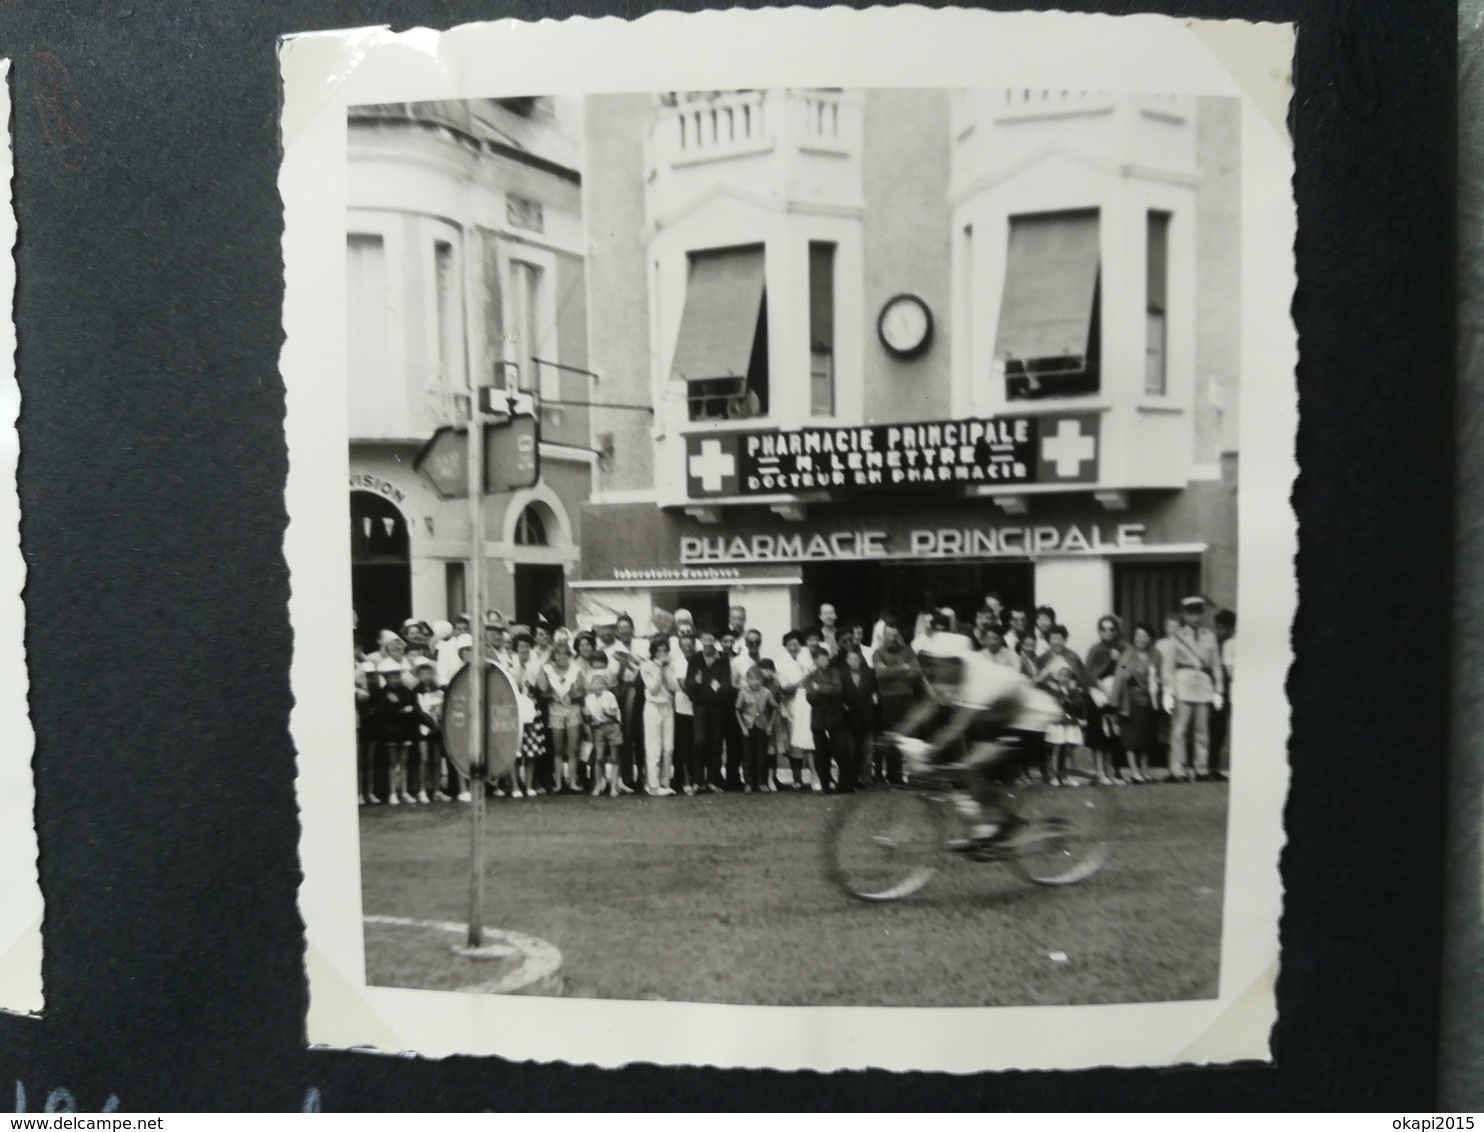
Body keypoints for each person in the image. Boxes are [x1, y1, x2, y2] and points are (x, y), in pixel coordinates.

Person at [888, 632, 1061, 849]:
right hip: (1003, 718)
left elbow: (958, 724)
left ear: (956, 661)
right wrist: (896, 734)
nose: (936, 669)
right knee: (967, 770)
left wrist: (929, 750)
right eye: (935, 663)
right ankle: (992, 826)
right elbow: (927, 707)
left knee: (970, 766)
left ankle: (1002, 826)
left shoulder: (980, 679)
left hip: (1031, 718)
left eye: (941, 663)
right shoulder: (950, 675)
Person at [1162, 597, 1225, 781]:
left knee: (1202, 731)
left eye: (1198, 613)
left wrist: (1218, 690)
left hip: (1204, 687)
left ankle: (1201, 769)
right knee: (1179, 731)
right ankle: (1177, 770)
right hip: (1183, 685)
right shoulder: (1178, 636)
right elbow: (1168, 666)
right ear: (1184, 614)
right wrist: (1168, 691)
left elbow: (1216, 666)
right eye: (1190, 613)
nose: (1195, 617)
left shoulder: (1209, 636)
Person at [872, 624, 923, 785]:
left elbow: (915, 673)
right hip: (887, 699)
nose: (893, 639)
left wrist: (891, 671)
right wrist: (903, 668)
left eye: (895, 635)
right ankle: (894, 775)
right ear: (884, 636)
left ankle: (914, 775)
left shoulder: (908, 651)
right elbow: (881, 673)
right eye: (889, 635)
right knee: (891, 734)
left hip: (907, 698)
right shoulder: (878, 653)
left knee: (911, 735)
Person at [1111, 624, 1161, 783]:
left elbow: (1159, 676)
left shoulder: (1155, 655)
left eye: (1144, 635)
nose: (1140, 639)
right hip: (1130, 703)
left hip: (1148, 702)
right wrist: (1114, 702)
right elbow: (1119, 676)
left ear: (1150, 638)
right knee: (1131, 739)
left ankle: (1145, 770)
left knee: (1146, 738)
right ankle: (1134, 771)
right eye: (1138, 635)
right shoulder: (1128, 655)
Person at [686, 630, 733, 793]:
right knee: (699, 742)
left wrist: (720, 687)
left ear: (715, 642)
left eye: (710, 642)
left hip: (717, 706)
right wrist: (695, 682)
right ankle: (698, 781)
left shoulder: (723, 659)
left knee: (716, 742)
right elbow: (688, 683)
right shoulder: (695, 659)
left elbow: (728, 683)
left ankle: (713, 781)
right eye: (704, 642)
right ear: (701, 642)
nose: (707, 645)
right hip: (700, 706)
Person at [1083, 615, 1127, 785]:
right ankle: (1099, 771)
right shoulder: (1095, 649)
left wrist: (1118, 660)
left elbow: (1125, 670)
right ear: (1099, 631)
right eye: (1104, 629)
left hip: (1113, 695)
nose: (1108, 632)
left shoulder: (1121, 648)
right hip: (1097, 697)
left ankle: (1109, 771)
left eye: (1111, 629)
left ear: (1116, 631)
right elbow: (1088, 673)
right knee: (1098, 736)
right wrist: (1100, 686)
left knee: (1111, 736)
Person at [538, 639, 586, 794]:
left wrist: (571, 696)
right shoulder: (546, 669)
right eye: (558, 654)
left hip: (573, 710)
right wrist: (554, 695)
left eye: (564, 654)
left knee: (573, 748)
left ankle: (572, 782)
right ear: (554, 656)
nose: (561, 657)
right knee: (558, 749)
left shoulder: (576, 669)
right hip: (555, 711)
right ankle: (558, 783)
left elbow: (581, 690)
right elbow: (543, 690)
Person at [375, 656, 419, 804]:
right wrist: (400, 709)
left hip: (405, 731)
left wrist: (403, 709)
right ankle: (393, 792)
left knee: (404, 762)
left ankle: (404, 791)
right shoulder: (382, 693)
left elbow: (412, 708)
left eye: (397, 675)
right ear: (386, 678)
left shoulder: (406, 691)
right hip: (390, 732)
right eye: (392, 676)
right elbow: (383, 712)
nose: (395, 679)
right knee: (392, 763)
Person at [640, 636, 681, 796]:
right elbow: (653, 688)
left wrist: (666, 669)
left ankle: (665, 782)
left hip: (668, 706)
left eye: (665, 650)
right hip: (653, 707)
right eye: (659, 651)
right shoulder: (646, 666)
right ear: (653, 652)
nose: (662, 653)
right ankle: (653, 784)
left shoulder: (670, 666)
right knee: (654, 746)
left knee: (668, 746)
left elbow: (674, 686)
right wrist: (659, 668)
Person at [802, 645, 844, 792]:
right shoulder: (810, 676)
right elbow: (810, 697)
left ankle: (843, 784)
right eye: (822, 659)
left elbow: (838, 690)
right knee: (821, 753)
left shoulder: (835, 673)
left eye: (827, 658)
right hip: (818, 719)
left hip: (834, 717)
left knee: (839, 750)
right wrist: (827, 690)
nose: (826, 661)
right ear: (815, 661)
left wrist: (820, 688)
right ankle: (825, 784)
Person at [838, 645, 878, 791]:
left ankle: (864, 778)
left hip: (866, 715)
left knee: (867, 749)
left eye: (856, 658)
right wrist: (844, 706)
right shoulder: (842, 674)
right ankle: (851, 778)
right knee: (851, 749)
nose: (853, 661)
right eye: (850, 659)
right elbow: (839, 694)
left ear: (860, 659)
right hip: (849, 717)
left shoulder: (869, 672)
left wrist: (872, 706)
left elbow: (875, 692)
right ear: (847, 660)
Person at [776, 630, 811, 790]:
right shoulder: (781, 663)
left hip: (808, 705)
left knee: (811, 743)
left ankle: (817, 777)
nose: (793, 647)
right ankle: (797, 779)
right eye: (789, 645)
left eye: (795, 644)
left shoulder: (808, 657)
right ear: (785, 646)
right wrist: (798, 684)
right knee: (794, 746)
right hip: (791, 706)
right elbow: (783, 688)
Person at [735, 664, 778, 794]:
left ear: (762, 680)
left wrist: (770, 725)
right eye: (752, 679)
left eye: (758, 679)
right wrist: (743, 727)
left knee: (761, 756)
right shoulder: (743, 692)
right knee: (747, 757)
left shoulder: (766, 692)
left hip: (762, 727)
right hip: (748, 728)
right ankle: (748, 783)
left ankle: (761, 783)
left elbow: (775, 708)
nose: (755, 682)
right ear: (747, 680)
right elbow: (737, 710)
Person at [584, 669, 625, 797]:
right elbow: (588, 715)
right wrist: (590, 719)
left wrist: (603, 712)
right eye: (595, 683)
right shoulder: (589, 698)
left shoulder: (609, 696)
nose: (598, 686)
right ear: (591, 686)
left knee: (614, 756)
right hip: (599, 729)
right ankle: (599, 785)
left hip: (612, 727)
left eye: (601, 683)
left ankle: (613, 787)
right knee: (599, 757)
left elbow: (613, 714)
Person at [412, 659, 445, 803]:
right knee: (424, 760)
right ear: (418, 675)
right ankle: (422, 790)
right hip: (423, 730)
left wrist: (438, 721)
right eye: (422, 673)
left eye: (428, 672)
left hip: (437, 730)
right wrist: (431, 723)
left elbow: (442, 709)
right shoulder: (415, 692)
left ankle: (437, 790)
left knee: (437, 761)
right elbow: (418, 712)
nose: (426, 676)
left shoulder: (439, 691)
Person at [1211, 608, 1236, 779]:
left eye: (1222, 628)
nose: (1218, 631)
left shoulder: (1231, 644)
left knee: (1221, 731)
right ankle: (1211, 767)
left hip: (1229, 692)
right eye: (1217, 627)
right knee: (1215, 730)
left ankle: (1214, 766)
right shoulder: (1214, 644)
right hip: (1215, 692)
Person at [672, 632, 699, 794]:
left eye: (691, 645)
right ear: (680, 647)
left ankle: (696, 779)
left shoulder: (698, 661)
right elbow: (685, 686)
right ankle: (683, 780)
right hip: (682, 708)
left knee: (696, 745)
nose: (688, 648)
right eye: (685, 645)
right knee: (683, 745)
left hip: (698, 709)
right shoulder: (678, 663)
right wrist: (700, 691)